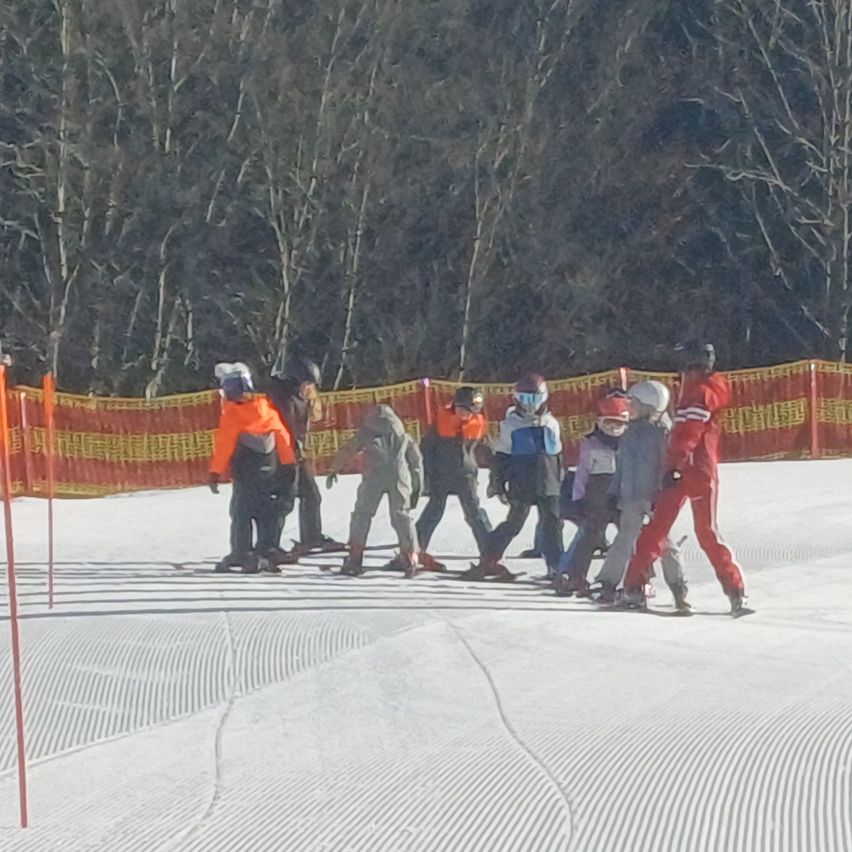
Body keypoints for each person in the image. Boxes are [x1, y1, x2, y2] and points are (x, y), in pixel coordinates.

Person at [619, 342, 749, 614]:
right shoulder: (699, 387)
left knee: (663, 530)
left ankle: (634, 587)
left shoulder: (699, 391)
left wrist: (674, 465)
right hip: (697, 470)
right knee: (699, 532)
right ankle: (735, 591)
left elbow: (690, 432)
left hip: (690, 470)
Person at [594, 380, 688, 609]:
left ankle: (678, 586)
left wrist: (662, 494)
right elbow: (621, 466)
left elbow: (665, 466)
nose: (629, 408)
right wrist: (613, 492)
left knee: (663, 542)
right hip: (631, 496)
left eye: (634, 403)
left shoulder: (661, 434)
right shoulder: (629, 433)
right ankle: (609, 583)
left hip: (653, 497)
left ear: (650, 406)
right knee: (624, 539)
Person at [461, 373, 562, 582]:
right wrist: (497, 482)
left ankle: (556, 566)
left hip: (548, 480)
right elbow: (502, 456)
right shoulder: (512, 425)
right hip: (523, 480)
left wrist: (562, 480)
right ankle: (489, 557)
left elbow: (558, 456)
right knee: (515, 523)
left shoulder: (551, 423)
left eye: (534, 398)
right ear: (517, 399)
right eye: (525, 399)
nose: (530, 404)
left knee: (552, 523)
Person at [208, 362, 298, 573]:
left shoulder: (232, 415)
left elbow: (225, 446)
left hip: (246, 472)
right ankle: (268, 548)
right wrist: (289, 465)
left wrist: (215, 472)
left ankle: (242, 551)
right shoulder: (266, 409)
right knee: (267, 511)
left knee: (241, 513)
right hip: (271, 470)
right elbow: (283, 438)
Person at [325, 404, 424, 577]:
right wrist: (418, 485)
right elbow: (416, 460)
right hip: (399, 477)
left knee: (362, 514)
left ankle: (355, 558)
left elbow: (348, 450)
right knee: (401, 515)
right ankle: (410, 558)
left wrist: (334, 468)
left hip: (373, 477)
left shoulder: (366, 433)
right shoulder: (402, 434)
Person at [403, 386, 492, 572]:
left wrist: (496, 468)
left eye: (468, 411)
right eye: (460, 409)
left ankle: (490, 553)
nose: (463, 414)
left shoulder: (478, 423)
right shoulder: (441, 421)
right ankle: (413, 550)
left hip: (466, 475)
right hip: (441, 474)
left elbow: (486, 447)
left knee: (474, 513)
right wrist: (426, 475)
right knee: (434, 511)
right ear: (454, 406)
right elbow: (427, 448)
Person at [553, 390, 629, 596]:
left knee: (630, 536)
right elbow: (582, 474)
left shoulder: (630, 444)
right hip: (598, 496)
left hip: (624, 495)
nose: (613, 429)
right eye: (608, 423)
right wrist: (578, 499)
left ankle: (636, 579)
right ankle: (575, 577)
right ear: (599, 422)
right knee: (590, 536)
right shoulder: (592, 444)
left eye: (618, 424)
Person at [268, 353, 344, 552]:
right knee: (285, 501)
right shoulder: (284, 400)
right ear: (297, 380)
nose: (310, 389)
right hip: (285, 456)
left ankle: (311, 538)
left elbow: (311, 418)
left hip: (296, 455)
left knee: (311, 495)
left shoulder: (296, 397)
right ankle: (269, 546)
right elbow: (286, 431)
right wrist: (291, 455)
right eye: (308, 384)